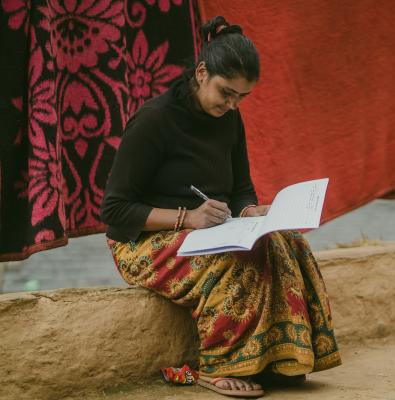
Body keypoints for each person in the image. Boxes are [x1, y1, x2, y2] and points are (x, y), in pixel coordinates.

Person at [100, 16, 341, 399]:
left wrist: (249, 212)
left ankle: (281, 358)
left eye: (241, 97)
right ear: (201, 73)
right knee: (236, 260)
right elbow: (114, 211)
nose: (232, 105)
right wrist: (187, 218)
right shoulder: (153, 121)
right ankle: (220, 365)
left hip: (207, 232)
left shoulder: (229, 119)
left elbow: (242, 187)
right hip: (141, 243)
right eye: (226, 93)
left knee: (287, 242)